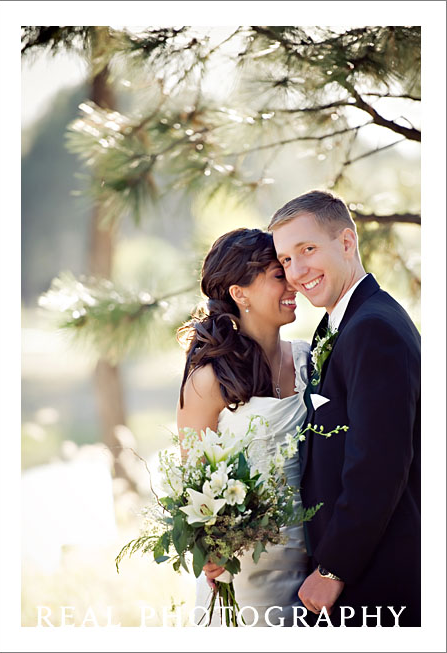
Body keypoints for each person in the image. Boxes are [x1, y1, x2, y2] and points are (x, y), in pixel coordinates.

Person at [269, 190, 421, 627]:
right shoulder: (339, 324)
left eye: (308, 250)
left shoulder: (374, 329)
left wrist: (333, 568)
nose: (297, 272)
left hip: (374, 575)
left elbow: (380, 465)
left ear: (347, 243)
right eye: (285, 261)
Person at [176, 228, 310, 626]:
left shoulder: (309, 360)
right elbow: (193, 482)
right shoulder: (208, 381)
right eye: (278, 273)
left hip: (314, 556)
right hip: (245, 569)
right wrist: (212, 548)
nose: (294, 284)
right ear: (240, 293)